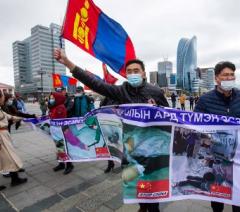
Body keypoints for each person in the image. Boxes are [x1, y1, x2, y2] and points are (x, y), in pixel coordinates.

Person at [54, 48, 169, 212]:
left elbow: (169, 115)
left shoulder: (155, 92)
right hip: (130, 145)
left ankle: (153, 207)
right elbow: (96, 83)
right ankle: (142, 205)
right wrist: (68, 63)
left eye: (136, 71)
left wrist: (156, 109)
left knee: (152, 178)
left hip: (151, 145)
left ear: (143, 73)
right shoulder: (121, 91)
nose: (132, 74)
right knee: (134, 179)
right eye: (129, 72)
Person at [194, 61, 240, 212]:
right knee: (217, 195)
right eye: (225, 75)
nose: (229, 78)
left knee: (239, 198)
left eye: (232, 75)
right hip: (216, 157)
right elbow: (195, 125)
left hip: (239, 155)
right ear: (216, 78)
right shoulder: (205, 100)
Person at [0, 88, 28, 195]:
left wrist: (21, 118)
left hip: (1, 137)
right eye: (3, 96)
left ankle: (13, 179)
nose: (5, 98)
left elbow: (8, 117)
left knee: (7, 158)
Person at [48, 92, 74, 175]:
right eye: (51, 98)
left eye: (53, 98)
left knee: (63, 147)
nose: (51, 99)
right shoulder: (54, 106)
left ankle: (69, 165)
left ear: (58, 99)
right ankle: (61, 163)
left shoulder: (60, 107)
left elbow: (56, 118)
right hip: (55, 130)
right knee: (59, 148)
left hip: (60, 130)